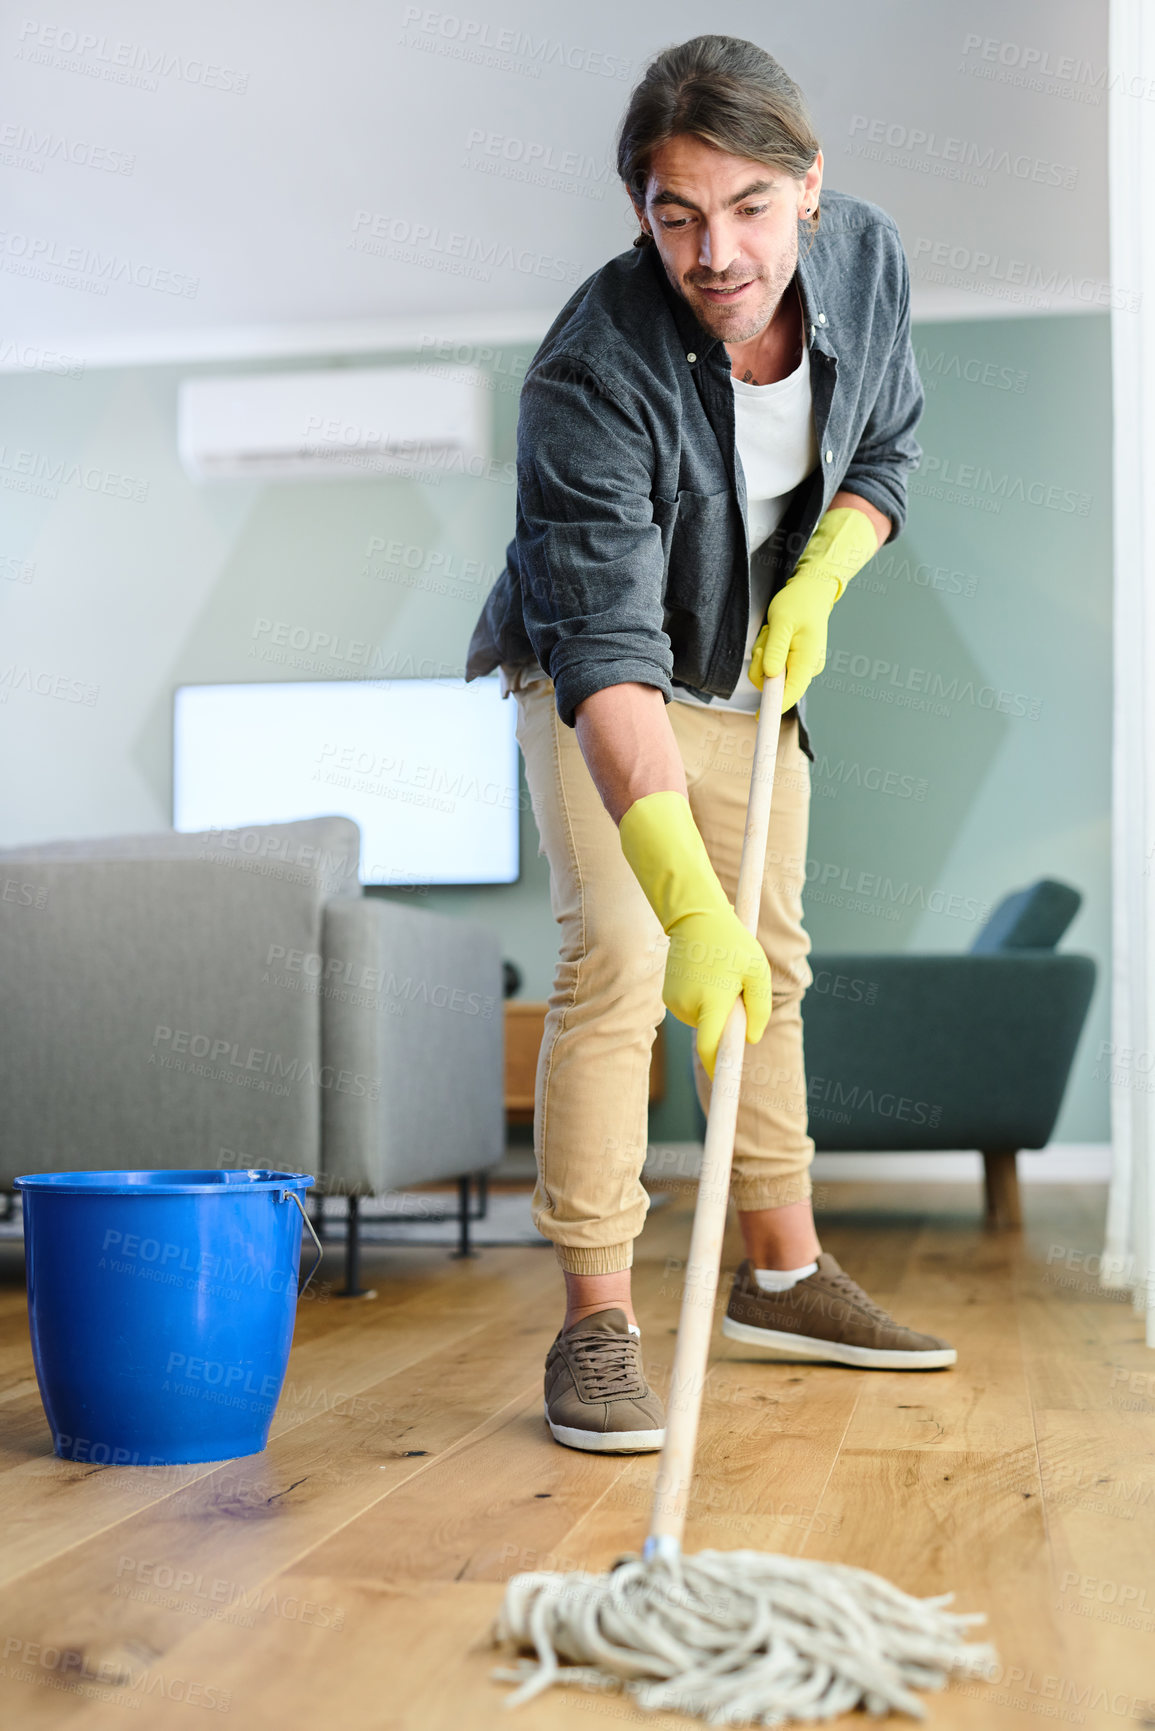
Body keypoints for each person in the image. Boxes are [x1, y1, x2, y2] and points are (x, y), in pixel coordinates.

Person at [467, 34, 955, 1455]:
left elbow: (889, 449)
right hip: (601, 680)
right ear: (640, 212)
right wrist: (681, 892)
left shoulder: (866, 263)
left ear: (810, 188)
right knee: (624, 959)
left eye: (747, 205)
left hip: (755, 668)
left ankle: (785, 1275)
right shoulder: (588, 370)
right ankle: (597, 1323)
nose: (715, 250)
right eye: (676, 214)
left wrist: (821, 579)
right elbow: (606, 651)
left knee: (775, 969)